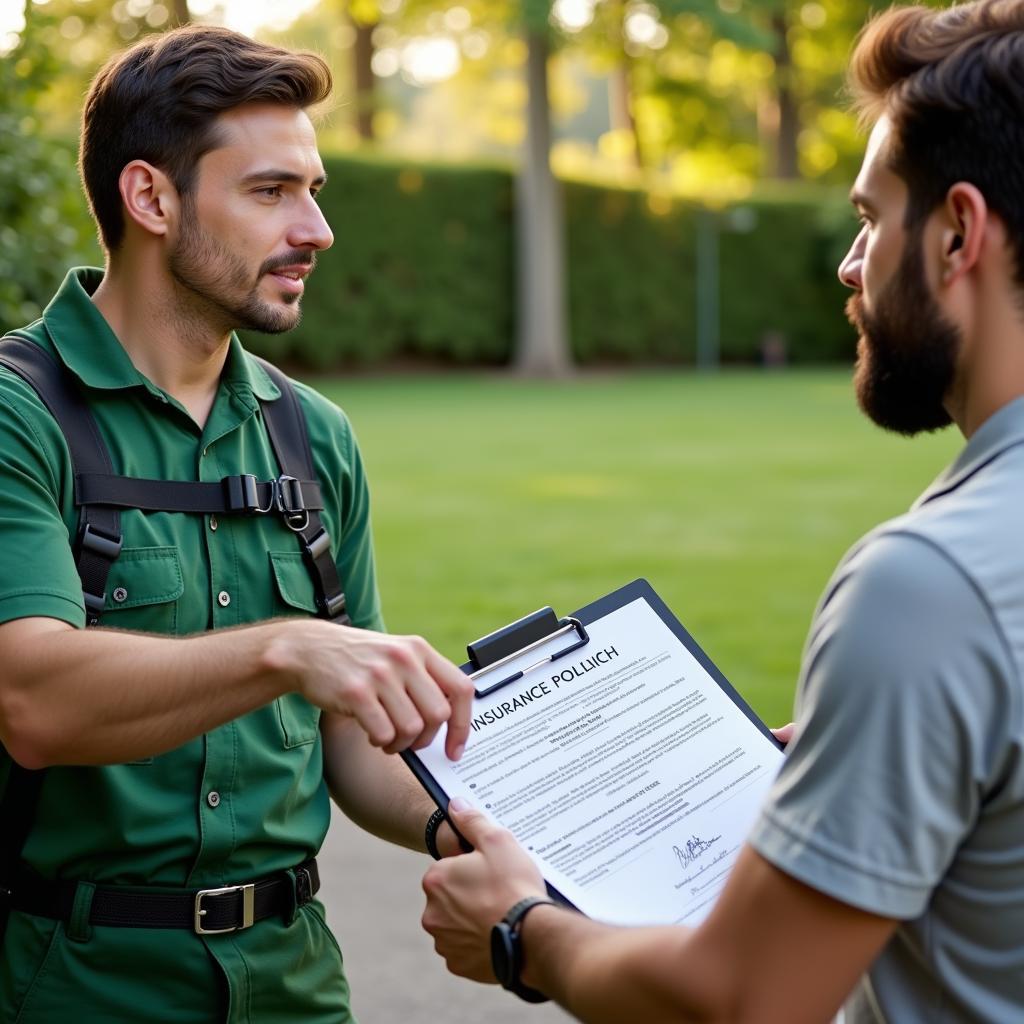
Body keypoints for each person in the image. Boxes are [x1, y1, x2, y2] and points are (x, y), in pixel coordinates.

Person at [421, 2, 1024, 1020]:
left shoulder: (930, 585)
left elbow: (746, 1000)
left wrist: (523, 929)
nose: (849, 263)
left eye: (871, 218)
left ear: (957, 232)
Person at [0, 25, 473, 1024]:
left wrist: (471, 824)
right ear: (151, 199)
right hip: (70, 990)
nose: (316, 228)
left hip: (295, 987)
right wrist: (285, 649)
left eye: (315, 188)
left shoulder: (316, 438)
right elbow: (33, 698)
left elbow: (356, 742)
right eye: (271, 192)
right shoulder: (18, 415)